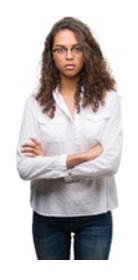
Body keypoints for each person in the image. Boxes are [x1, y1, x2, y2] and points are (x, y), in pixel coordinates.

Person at [16, 17, 120, 260]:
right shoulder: (35, 104)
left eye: (76, 48)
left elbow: (110, 163)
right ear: (51, 55)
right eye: (61, 49)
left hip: (95, 214)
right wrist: (80, 157)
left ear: (87, 52)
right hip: (48, 216)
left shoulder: (109, 100)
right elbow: (24, 167)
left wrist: (51, 164)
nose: (69, 56)